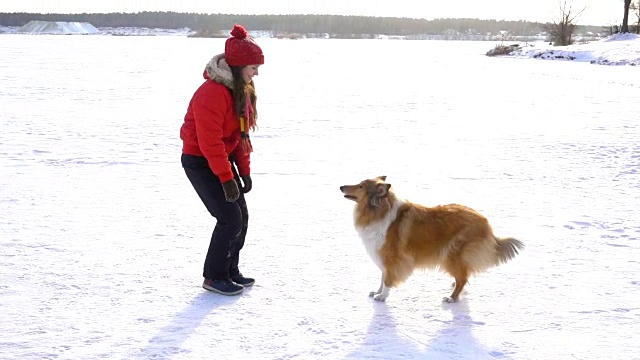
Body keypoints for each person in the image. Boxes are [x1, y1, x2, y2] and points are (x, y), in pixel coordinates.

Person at [180, 24, 263, 296]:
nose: (256, 73)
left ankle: (229, 270)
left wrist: (244, 170)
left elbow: (240, 137)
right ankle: (214, 277)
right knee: (229, 217)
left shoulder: (241, 92)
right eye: (253, 67)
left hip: (220, 160)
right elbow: (209, 142)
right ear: (238, 67)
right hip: (200, 160)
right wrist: (227, 179)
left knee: (242, 215)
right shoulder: (212, 93)